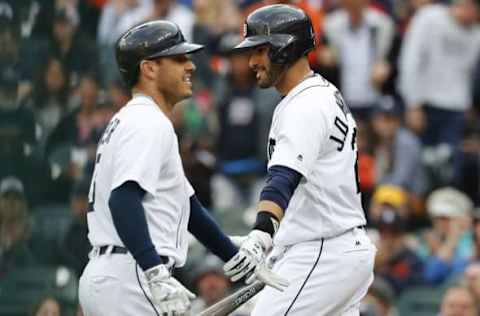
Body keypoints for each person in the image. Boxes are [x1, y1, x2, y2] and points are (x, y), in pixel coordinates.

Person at [78, 20, 284, 316]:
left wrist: (233, 256)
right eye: (179, 59)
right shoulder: (147, 122)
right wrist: (154, 270)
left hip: (116, 272)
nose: (191, 66)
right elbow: (123, 199)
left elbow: (189, 209)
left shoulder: (135, 119)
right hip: (132, 275)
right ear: (149, 68)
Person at [223, 4, 376, 315]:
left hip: (322, 250)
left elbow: (283, 177)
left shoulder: (304, 105)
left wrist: (261, 232)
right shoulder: (320, 93)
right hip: (338, 247)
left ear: (284, 49)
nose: (251, 61)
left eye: (260, 50)